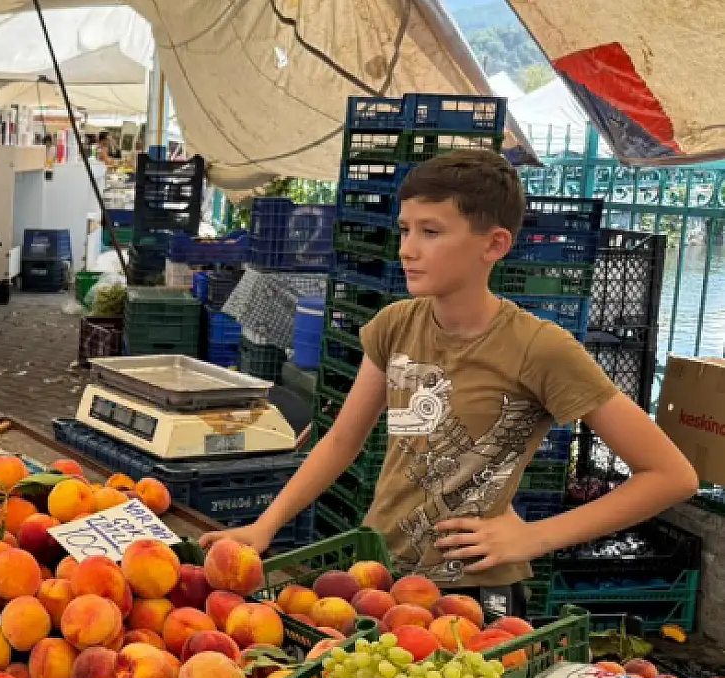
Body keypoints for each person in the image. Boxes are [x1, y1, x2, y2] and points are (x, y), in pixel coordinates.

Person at [218, 150, 698, 609]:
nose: (408, 248)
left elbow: (671, 475)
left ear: (494, 244)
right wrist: (265, 526)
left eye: (431, 231)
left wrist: (533, 538)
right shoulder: (395, 325)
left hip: (471, 594)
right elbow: (342, 441)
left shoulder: (539, 348)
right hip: (379, 575)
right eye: (404, 229)